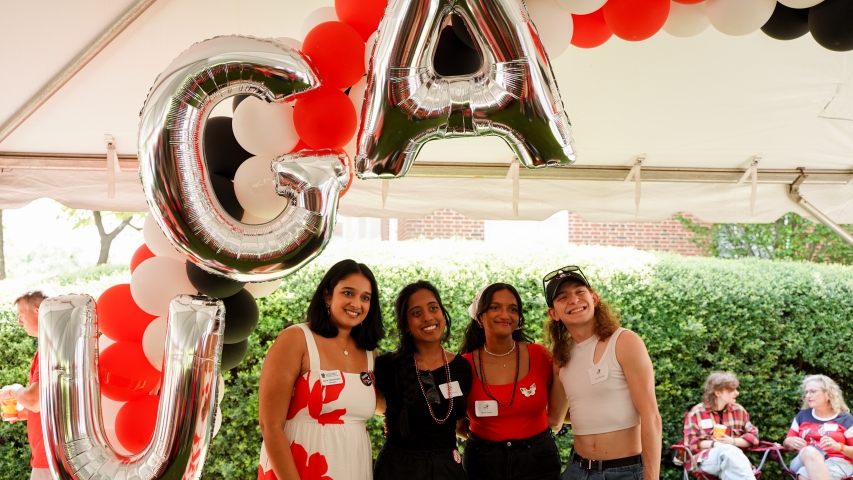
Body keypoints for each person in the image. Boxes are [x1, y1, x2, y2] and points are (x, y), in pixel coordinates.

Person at [257, 260, 384, 480]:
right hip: (300, 468)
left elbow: (388, 408)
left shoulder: (369, 353)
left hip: (354, 468)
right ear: (327, 295)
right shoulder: (296, 339)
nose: (357, 303)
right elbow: (270, 425)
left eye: (365, 297)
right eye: (348, 293)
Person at [544, 266, 661, 480]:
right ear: (554, 313)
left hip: (624, 472)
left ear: (594, 298)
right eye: (562, 297)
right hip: (576, 471)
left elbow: (651, 416)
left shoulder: (625, 342)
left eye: (580, 292)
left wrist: (652, 478)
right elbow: (555, 419)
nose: (573, 300)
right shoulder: (561, 357)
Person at [459, 282, 561, 480]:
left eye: (512, 309)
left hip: (538, 460)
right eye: (495, 307)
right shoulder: (464, 365)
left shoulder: (541, 356)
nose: (505, 315)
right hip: (483, 463)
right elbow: (457, 426)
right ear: (480, 316)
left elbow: (557, 416)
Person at [373, 280, 472, 480]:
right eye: (416, 313)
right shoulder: (386, 365)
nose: (428, 317)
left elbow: (463, 423)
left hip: (448, 469)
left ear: (442, 314)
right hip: (399, 469)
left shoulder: (461, 367)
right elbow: (373, 404)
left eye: (433, 308)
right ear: (406, 324)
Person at [0, 290, 49, 480]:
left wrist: (13, 389)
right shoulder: (59, 347)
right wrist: (24, 412)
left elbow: (34, 399)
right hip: (57, 456)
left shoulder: (48, 350)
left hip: (49, 457)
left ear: (38, 311)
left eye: (21, 315)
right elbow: (51, 404)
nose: (19, 322)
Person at [683, 371, 759, 480]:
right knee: (728, 451)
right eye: (731, 390)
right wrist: (716, 444)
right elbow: (690, 443)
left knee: (730, 468)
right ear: (718, 393)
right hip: (705, 460)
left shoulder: (739, 411)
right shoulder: (697, 412)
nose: (736, 393)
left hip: (733, 462)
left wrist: (732, 442)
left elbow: (754, 438)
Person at [783, 374, 853, 480]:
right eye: (806, 392)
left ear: (828, 394)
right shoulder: (802, 416)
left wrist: (838, 447)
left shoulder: (845, 419)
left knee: (803, 475)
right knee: (809, 451)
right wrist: (790, 442)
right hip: (803, 460)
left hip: (837, 462)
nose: (808, 396)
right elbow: (787, 443)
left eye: (813, 391)